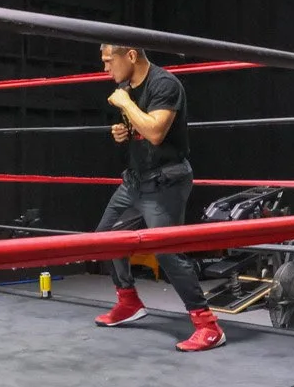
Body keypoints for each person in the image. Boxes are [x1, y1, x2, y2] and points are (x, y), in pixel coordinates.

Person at [91, 43, 224, 352]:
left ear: (131, 56)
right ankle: (129, 302)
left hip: (166, 181)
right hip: (135, 181)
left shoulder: (165, 84)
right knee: (104, 238)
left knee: (166, 251)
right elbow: (138, 128)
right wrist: (121, 130)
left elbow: (154, 132)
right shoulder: (127, 86)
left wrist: (125, 103)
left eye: (109, 61)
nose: (105, 68)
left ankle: (208, 325)